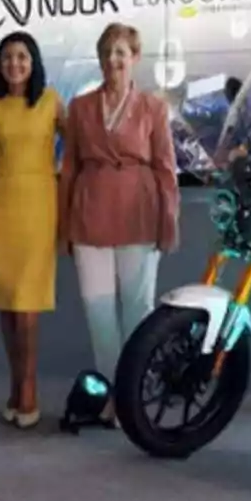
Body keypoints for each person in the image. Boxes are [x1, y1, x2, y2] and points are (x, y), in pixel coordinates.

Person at [59, 22, 180, 424]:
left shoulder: (153, 108)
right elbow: (70, 168)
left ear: (135, 59)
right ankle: (113, 396)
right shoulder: (80, 108)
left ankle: (138, 399)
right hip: (89, 213)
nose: (113, 60)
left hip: (139, 215)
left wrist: (169, 222)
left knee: (139, 311)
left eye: (121, 52)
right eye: (107, 52)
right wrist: (64, 228)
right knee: (98, 314)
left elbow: (166, 169)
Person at [0, 32, 63, 429]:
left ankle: (28, 389)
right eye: (7, 57)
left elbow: (77, 149)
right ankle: (14, 387)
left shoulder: (50, 101)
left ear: (34, 62)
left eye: (22, 56)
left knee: (28, 304)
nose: (14, 63)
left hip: (38, 207)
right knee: (7, 303)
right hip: (1, 206)